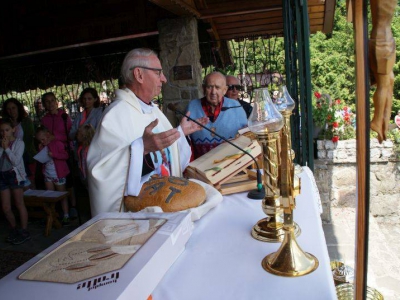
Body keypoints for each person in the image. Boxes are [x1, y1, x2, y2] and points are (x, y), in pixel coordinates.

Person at [87, 48, 208, 217]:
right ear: (139, 74)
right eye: (158, 72)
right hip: (139, 217)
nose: (164, 79)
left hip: (166, 207)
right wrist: (141, 149)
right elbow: (101, 171)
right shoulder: (116, 115)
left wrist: (180, 132)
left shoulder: (152, 111)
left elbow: (168, 157)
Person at [186, 71, 248, 159]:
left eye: (217, 87)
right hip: (201, 167)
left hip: (231, 165)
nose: (213, 92)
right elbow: (185, 142)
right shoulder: (192, 107)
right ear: (203, 88)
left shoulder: (236, 107)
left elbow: (246, 138)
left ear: (224, 90)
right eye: (209, 87)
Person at [41, 92, 77, 218]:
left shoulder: (64, 117)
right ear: (44, 104)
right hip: (51, 154)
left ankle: (72, 206)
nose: (50, 103)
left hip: (64, 152)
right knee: (54, 181)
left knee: (69, 181)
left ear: (56, 102)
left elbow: (71, 135)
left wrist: (55, 137)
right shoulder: (44, 120)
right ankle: (58, 210)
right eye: (47, 101)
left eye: (52, 100)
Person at [369, 0, 397, 143]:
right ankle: (377, 120)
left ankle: (385, 121)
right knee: (383, 84)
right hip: (382, 41)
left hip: (384, 38)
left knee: (389, 80)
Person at [0, 119, 30, 245]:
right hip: (2, 175)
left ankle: (24, 231)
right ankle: (14, 229)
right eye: (1, 131)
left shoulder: (19, 143)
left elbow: (16, 161)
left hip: (15, 175)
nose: (4, 133)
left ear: (13, 129)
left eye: (6, 130)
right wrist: (2, 147)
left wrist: (7, 148)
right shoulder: (1, 143)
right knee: (6, 207)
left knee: (19, 203)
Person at [35, 126, 70, 225]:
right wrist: (40, 151)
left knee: (62, 195)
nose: (42, 142)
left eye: (43, 139)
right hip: (47, 174)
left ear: (48, 135)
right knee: (50, 195)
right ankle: (52, 214)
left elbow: (65, 155)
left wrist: (54, 155)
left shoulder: (57, 143)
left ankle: (66, 214)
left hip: (58, 174)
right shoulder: (43, 146)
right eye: (40, 140)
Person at [2, 98, 37, 189]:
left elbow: (29, 140)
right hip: (10, 155)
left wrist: (19, 152)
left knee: (29, 180)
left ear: (18, 108)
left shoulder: (26, 121)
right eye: (8, 109)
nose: (11, 111)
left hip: (26, 154)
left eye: (13, 108)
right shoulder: (5, 123)